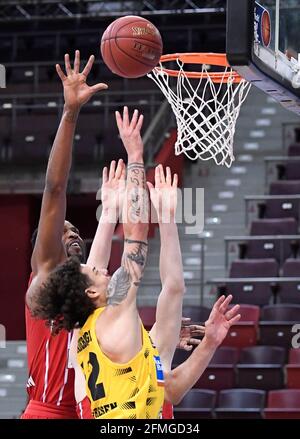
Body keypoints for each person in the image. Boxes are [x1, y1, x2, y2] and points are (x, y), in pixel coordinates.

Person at [33, 107, 241, 419]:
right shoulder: (113, 317)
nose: (100, 267)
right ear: (90, 293)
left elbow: (170, 387)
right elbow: (136, 236)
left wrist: (110, 212)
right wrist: (135, 156)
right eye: (92, 270)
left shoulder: (82, 337)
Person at [22, 50, 108, 419]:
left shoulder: (88, 289)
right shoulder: (46, 270)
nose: (72, 234)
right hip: (46, 410)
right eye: (63, 230)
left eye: (76, 230)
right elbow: (55, 188)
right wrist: (71, 112)